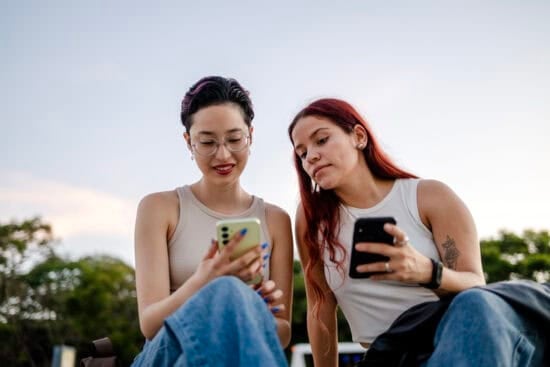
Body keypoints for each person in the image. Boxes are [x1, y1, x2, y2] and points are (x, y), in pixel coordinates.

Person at [288, 98, 548, 366]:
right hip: (388, 356)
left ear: (358, 136)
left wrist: (427, 271)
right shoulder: (312, 220)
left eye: (321, 140)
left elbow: (476, 287)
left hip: (456, 339)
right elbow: (320, 308)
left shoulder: (429, 197)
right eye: (302, 152)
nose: (311, 157)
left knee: (476, 305)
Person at [132, 76, 293, 366]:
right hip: (164, 354)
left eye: (234, 139)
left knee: (232, 299)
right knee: (227, 291)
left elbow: (282, 333)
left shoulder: (276, 219)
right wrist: (206, 281)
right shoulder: (160, 208)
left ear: (251, 136)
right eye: (207, 142)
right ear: (188, 142)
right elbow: (150, 326)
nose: (222, 154)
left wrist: (250, 309)